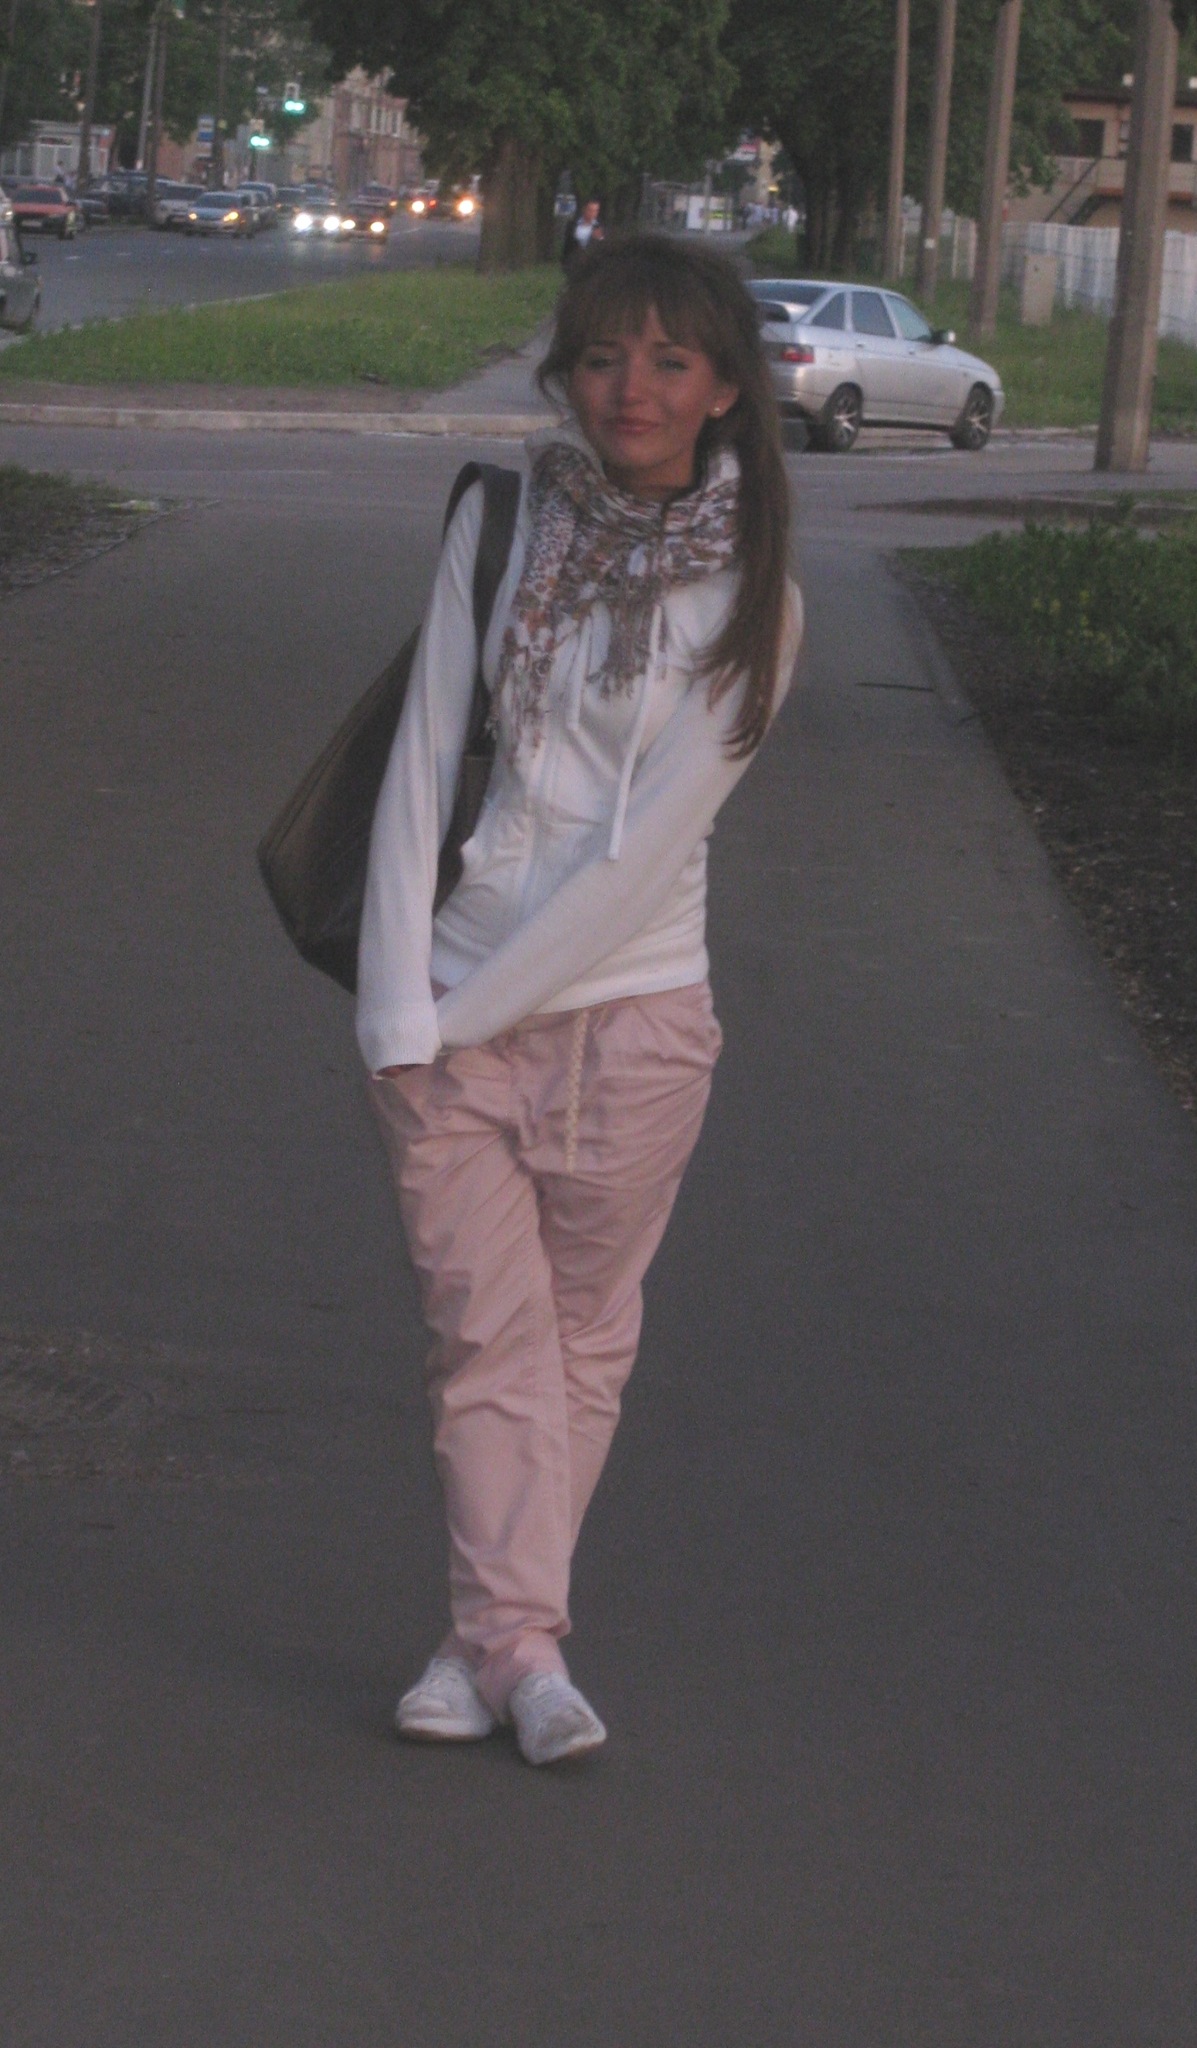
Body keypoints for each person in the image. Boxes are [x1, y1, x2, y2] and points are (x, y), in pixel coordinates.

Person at [360, 233, 803, 1767]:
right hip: (450, 1010)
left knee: (583, 1340)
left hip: (635, 1019)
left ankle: (490, 1644)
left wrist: (471, 1009)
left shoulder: (755, 595)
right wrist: (398, 1012)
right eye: (606, 354)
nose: (632, 387)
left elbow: (645, 856)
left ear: (725, 387)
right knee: (485, 1337)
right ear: (569, 369)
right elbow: (421, 761)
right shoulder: (499, 525)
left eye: (670, 359)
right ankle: (525, 1653)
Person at [561, 197, 603, 268]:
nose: (593, 213)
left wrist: (599, 238)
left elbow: (603, 247)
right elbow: (567, 245)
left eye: (595, 211)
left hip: (593, 264)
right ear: (584, 209)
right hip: (574, 263)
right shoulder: (572, 225)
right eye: (590, 210)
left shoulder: (599, 227)